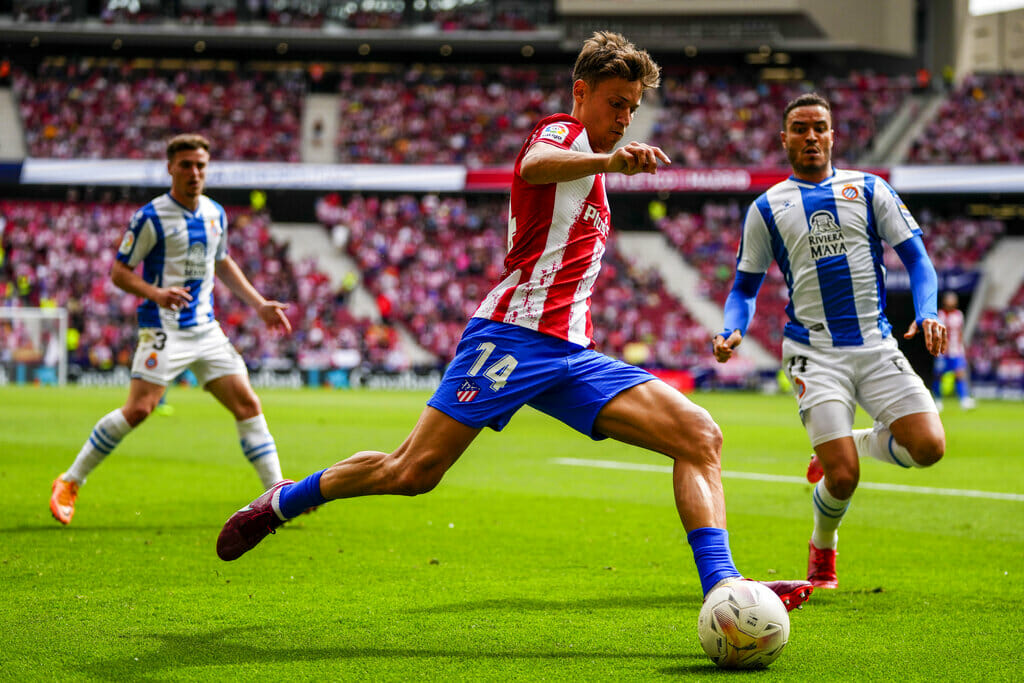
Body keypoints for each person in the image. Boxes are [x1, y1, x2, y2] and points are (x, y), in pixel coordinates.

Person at [217, 31, 813, 612]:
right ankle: (283, 500)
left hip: (571, 353)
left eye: (633, 108)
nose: (626, 118)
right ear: (581, 92)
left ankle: (724, 587)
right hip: (512, 336)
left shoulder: (595, 166)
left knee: (699, 436)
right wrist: (606, 157)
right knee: (414, 471)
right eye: (615, 103)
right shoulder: (565, 132)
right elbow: (534, 163)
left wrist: (605, 163)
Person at [713, 93, 947, 590]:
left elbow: (919, 260)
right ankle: (823, 548)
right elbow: (743, 288)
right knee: (843, 479)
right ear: (785, 138)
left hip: (877, 345)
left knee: (929, 447)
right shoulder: (766, 208)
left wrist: (927, 311)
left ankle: (847, 444)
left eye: (820, 127)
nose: (811, 136)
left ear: (833, 135)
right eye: (800, 128)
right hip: (814, 354)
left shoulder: (869, 189)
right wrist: (731, 328)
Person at [49, 133, 293, 525]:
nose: (194, 172)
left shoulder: (215, 213)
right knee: (140, 408)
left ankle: (279, 495)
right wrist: (156, 293)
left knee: (248, 405)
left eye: (200, 165)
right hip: (163, 327)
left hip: (205, 329)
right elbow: (119, 272)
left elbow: (223, 262)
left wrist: (259, 303)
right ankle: (70, 480)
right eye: (186, 165)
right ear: (171, 168)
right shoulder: (150, 217)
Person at [933, 291, 975, 411]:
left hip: (956, 350)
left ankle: (964, 400)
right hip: (942, 351)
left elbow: (960, 332)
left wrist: (962, 347)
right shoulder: (940, 314)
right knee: (939, 376)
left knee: (959, 374)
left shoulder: (958, 315)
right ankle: (938, 400)